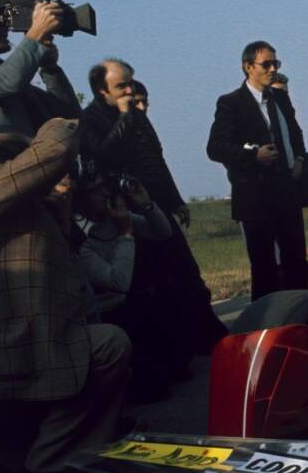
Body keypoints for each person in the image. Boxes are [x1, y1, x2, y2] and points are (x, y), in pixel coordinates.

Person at [0, 120, 131, 473]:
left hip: (31, 335)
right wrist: (61, 123)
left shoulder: (17, 205)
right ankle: (48, 468)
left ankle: (70, 454)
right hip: (11, 343)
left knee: (101, 346)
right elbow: (55, 150)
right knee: (108, 348)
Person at [80, 67, 227, 353]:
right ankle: (175, 349)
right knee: (152, 282)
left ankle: (208, 339)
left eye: (130, 84)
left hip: (155, 205)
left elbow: (156, 160)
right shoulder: (91, 120)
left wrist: (175, 200)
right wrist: (124, 118)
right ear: (102, 90)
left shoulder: (136, 116)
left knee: (185, 272)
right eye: (121, 86)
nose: (128, 91)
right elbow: (105, 155)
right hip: (127, 211)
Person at [207, 41, 308, 301]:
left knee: (296, 261)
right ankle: (267, 324)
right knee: (265, 267)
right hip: (255, 196)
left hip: (286, 191)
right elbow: (215, 148)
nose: (272, 69)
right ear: (248, 67)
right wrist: (252, 155)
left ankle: (299, 314)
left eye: (275, 64)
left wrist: (299, 158)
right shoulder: (231, 103)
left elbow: (295, 132)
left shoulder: (280, 97)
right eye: (266, 64)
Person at [75, 173, 186, 402]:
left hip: (131, 306)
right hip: (107, 316)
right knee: (152, 387)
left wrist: (146, 204)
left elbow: (163, 232)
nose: (104, 194)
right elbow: (118, 281)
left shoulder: (112, 219)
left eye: (103, 187)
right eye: (95, 190)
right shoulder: (78, 236)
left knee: (179, 366)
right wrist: (125, 234)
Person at [0, 0, 80, 144]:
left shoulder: (9, 72)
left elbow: (67, 116)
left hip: (22, 163)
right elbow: (4, 82)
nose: (7, 27)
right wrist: (36, 34)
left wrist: (50, 69)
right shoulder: (6, 78)